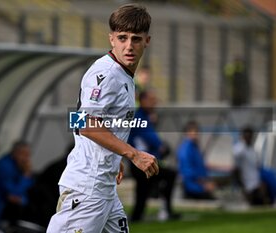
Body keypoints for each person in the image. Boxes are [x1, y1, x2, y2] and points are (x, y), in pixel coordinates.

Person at [46, 4, 159, 233]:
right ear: (111, 39)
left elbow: (82, 120)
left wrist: (114, 157)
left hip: (104, 188)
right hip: (88, 190)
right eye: (122, 38)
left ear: (147, 41)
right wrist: (132, 153)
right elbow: (84, 123)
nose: (129, 46)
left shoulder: (123, 75)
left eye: (136, 39)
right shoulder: (107, 74)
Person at [128, 89, 179, 222]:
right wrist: (162, 147)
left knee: (142, 190)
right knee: (169, 175)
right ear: (143, 101)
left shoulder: (144, 116)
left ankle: (137, 216)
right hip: (140, 163)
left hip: (140, 162)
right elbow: (152, 140)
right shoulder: (140, 117)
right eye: (152, 100)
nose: (154, 103)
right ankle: (165, 209)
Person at [233, 127, 276, 206]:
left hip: (256, 180)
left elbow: (257, 165)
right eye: (246, 136)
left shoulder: (251, 150)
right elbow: (235, 162)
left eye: (250, 136)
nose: (248, 138)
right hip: (248, 183)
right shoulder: (240, 148)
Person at [177, 121, 216, 200]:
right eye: (192, 131)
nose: (195, 134)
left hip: (200, 185)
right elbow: (188, 171)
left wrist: (207, 181)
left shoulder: (195, 147)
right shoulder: (186, 148)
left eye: (196, 131)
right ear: (187, 133)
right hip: (193, 187)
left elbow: (200, 167)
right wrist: (204, 183)